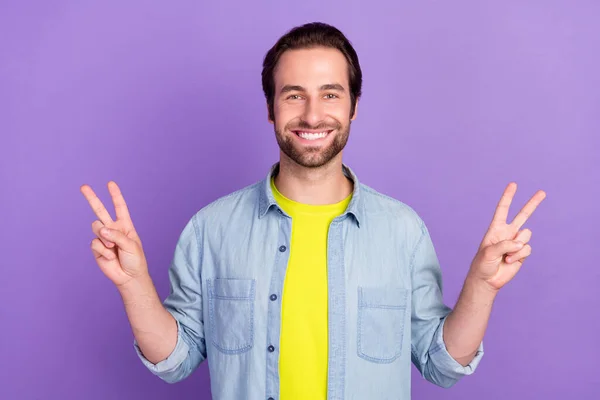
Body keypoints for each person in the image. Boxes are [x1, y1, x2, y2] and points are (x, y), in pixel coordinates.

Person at [80, 22, 546, 400]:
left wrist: (482, 286)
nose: (311, 115)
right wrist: (133, 283)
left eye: (330, 93)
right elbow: (175, 361)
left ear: (354, 106)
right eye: (293, 94)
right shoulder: (211, 228)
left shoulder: (403, 231)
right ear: (270, 108)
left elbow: (441, 364)